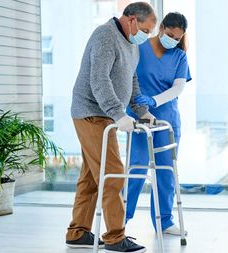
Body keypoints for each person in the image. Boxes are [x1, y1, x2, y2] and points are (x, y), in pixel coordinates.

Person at [65, 2, 157, 253]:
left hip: (105, 115)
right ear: (132, 20)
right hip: (91, 113)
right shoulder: (105, 35)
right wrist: (118, 114)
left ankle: (77, 232)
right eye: (146, 30)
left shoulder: (132, 44)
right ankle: (116, 237)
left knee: (91, 177)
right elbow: (99, 80)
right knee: (113, 173)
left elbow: (132, 81)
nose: (146, 36)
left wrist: (141, 111)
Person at [125, 12, 191, 236]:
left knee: (165, 171)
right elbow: (126, 77)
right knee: (137, 167)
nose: (173, 40)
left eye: (178, 37)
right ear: (161, 28)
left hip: (167, 118)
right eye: (170, 35)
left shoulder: (180, 56)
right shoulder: (139, 47)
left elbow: (178, 87)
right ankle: (120, 220)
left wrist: (154, 100)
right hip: (140, 117)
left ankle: (164, 221)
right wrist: (139, 106)